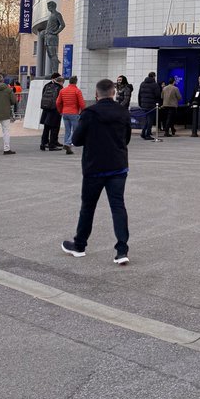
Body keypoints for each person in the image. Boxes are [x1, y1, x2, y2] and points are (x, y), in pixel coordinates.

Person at [61, 77, 132, 265]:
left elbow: (76, 140)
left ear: (96, 94)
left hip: (95, 167)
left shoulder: (89, 113)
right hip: (118, 165)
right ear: (114, 92)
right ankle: (122, 250)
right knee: (118, 206)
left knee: (88, 207)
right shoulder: (123, 112)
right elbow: (126, 139)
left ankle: (80, 245)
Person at [56, 75, 86, 155]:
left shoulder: (63, 90)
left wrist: (60, 111)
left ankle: (67, 147)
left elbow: (58, 102)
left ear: (69, 81)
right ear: (76, 82)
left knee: (67, 131)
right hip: (74, 113)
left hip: (65, 113)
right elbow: (82, 104)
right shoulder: (77, 91)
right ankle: (68, 143)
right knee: (75, 130)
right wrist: (84, 111)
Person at [40, 72, 65, 151]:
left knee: (46, 127)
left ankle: (43, 143)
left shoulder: (47, 86)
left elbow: (43, 96)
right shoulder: (59, 88)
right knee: (55, 127)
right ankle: (52, 144)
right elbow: (60, 100)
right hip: (55, 110)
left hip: (46, 109)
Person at [137, 71, 160, 140]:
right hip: (151, 105)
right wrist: (158, 103)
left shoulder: (142, 84)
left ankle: (143, 133)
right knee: (150, 120)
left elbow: (139, 94)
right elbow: (158, 95)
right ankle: (147, 134)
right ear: (154, 76)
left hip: (144, 104)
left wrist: (140, 104)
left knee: (147, 120)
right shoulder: (155, 85)